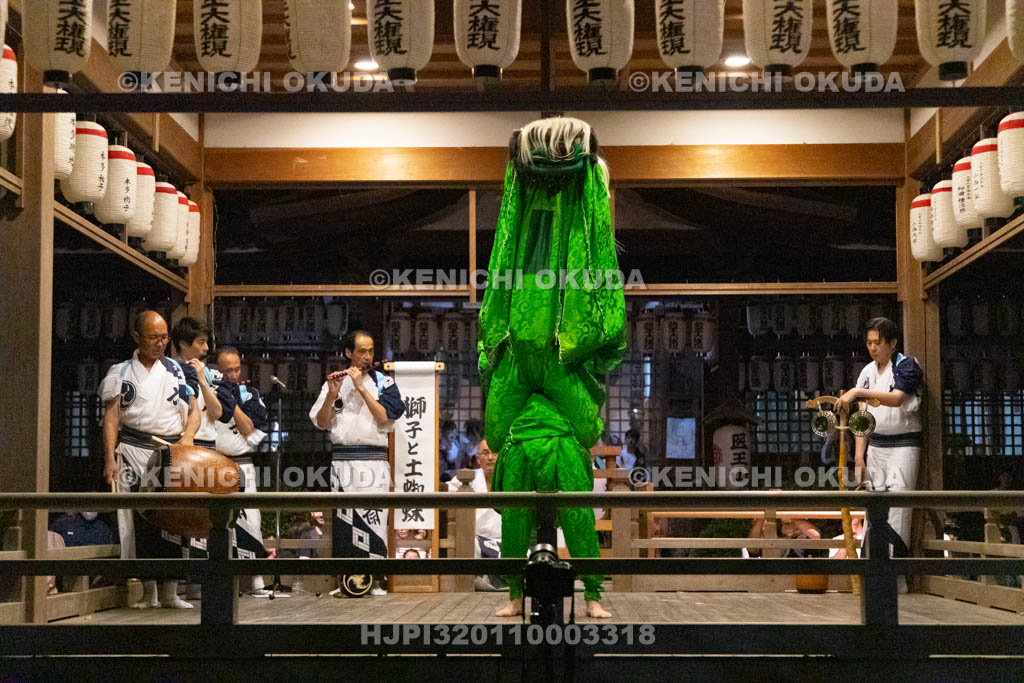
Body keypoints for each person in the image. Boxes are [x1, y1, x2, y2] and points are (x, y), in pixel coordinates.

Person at [100, 310, 199, 609]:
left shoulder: (176, 371)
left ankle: (171, 591)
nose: (159, 343)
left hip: (169, 452)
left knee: (173, 521)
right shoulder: (120, 371)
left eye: (164, 337)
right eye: (153, 337)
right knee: (140, 521)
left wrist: (188, 439)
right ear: (136, 337)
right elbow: (111, 419)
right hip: (132, 450)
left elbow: (194, 411)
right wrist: (109, 459)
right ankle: (148, 592)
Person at [309, 330, 405, 596]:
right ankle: (347, 582)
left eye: (371, 351)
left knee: (374, 518)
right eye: (361, 351)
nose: (366, 356)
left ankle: (373, 580)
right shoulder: (334, 382)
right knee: (345, 521)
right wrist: (331, 394)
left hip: (373, 462)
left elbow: (386, 417)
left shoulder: (384, 383)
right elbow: (322, 422)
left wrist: (362, 388)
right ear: (348, 353)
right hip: (343, 461)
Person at [836, 317, 924, 558]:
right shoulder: (867, 371)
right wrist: (859, 457)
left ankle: (896, 578)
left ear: (892, 342)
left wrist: (857, 392)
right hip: (876, 446)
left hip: (903, 446)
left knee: (897, 508)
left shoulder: (907, 365)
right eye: (869, 343)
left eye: (878, 342)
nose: (873, 348)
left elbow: (896, 399)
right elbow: (862, 417)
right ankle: (873, 572)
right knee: (873, 508)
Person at [170, 317, 236, 598]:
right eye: (201, 342)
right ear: (184, 344)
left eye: (208, 342)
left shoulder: (212, 374)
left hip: (208, 449)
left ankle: (204, 582)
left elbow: (220, 412)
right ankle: (183, 581)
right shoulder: (170, 371)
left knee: (207, 515)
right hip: (184, 446)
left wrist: (201, 380)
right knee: (181, 516)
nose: (207, 348)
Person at [214, 346, 273, 595]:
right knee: (217, 523)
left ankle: (257, 581)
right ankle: (221, 584)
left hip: (243, 463)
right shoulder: (208, 392)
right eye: (227, 370)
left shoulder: (250, 394)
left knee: (251, 520)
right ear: (217, 370)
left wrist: (231, 403)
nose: (233, 374)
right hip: (214, 463)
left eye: (237, 369)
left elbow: (250, 428)